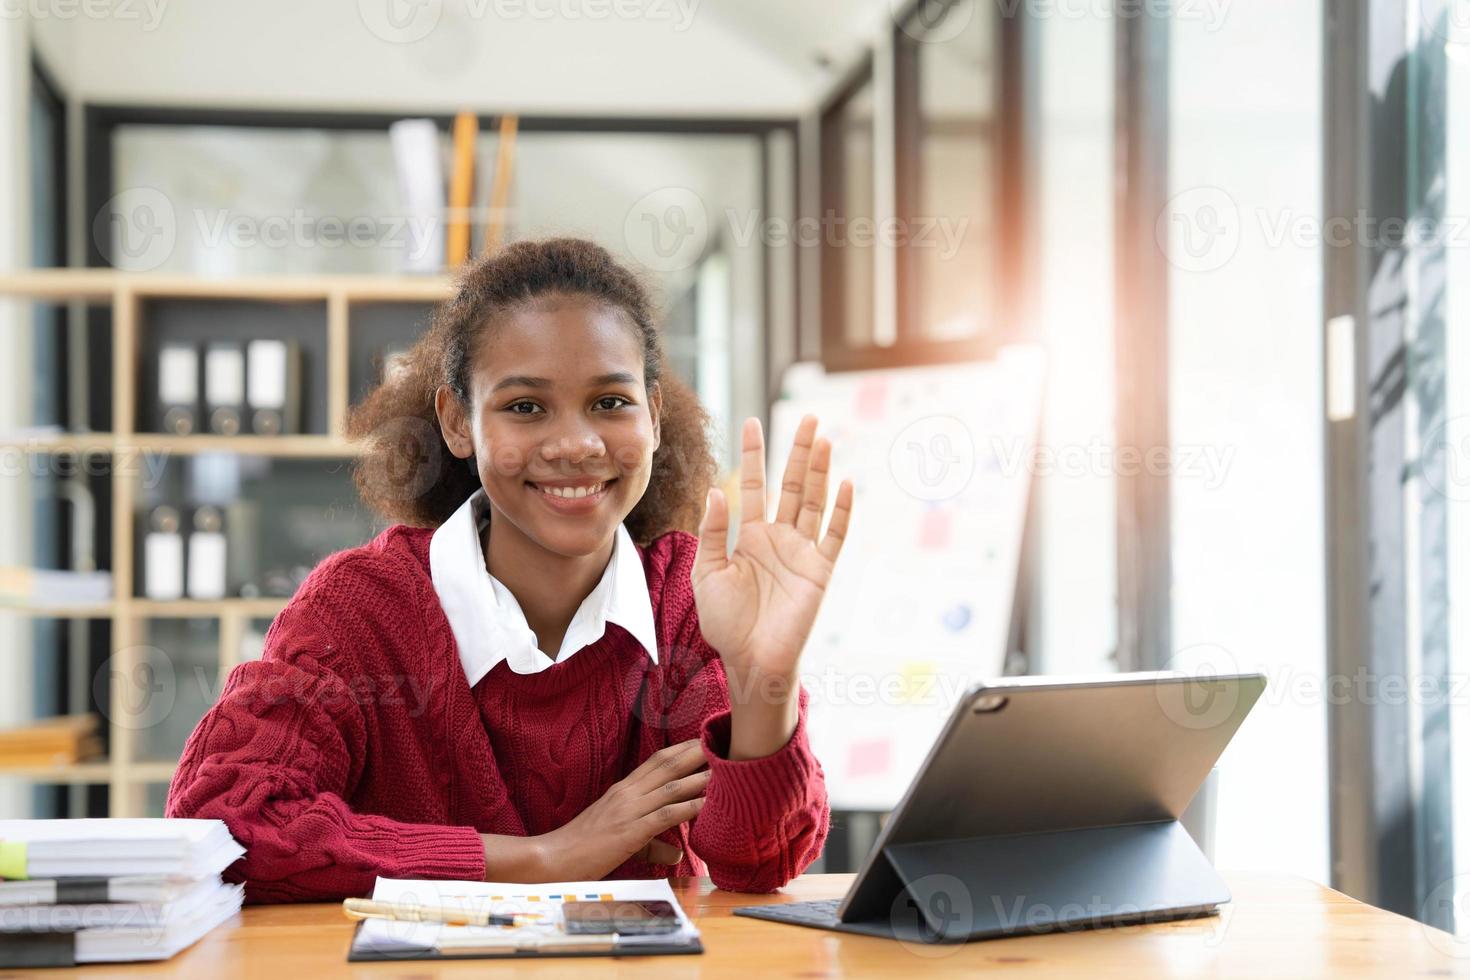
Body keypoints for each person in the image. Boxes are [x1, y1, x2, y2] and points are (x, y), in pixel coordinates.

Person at [165, 237, 855, 903]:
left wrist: (763, 677)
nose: (577, 444)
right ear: (457, 422)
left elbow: (756, 862)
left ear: (654, 414)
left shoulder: (687, 596)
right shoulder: (358, 611)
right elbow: (223, 824)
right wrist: (550, 856)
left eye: (611, 403)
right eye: (525, 407)